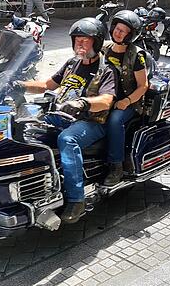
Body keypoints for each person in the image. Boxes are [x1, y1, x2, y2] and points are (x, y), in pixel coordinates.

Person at [16, 18, 117, 223]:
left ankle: (76, 200)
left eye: (85, 40)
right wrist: (18, 84)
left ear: (96, 43)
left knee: (67, 140)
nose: (80, 44)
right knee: (25, 128)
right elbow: (47, 84)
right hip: (62, 116)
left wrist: (84, 103)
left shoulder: (105, 69)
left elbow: (107, 100)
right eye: (77, 40)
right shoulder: (72, 64)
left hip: (91, 122)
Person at [102, 10, 149, 187]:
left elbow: (143, 86)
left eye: (123, 31)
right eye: (117, 28)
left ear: (130, 35)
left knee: (114, 120)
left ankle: (116, 166)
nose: (118, 33)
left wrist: (126, 101)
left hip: (129, 102)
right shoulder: (104, 48)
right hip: (106, 97)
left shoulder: (136, 55)